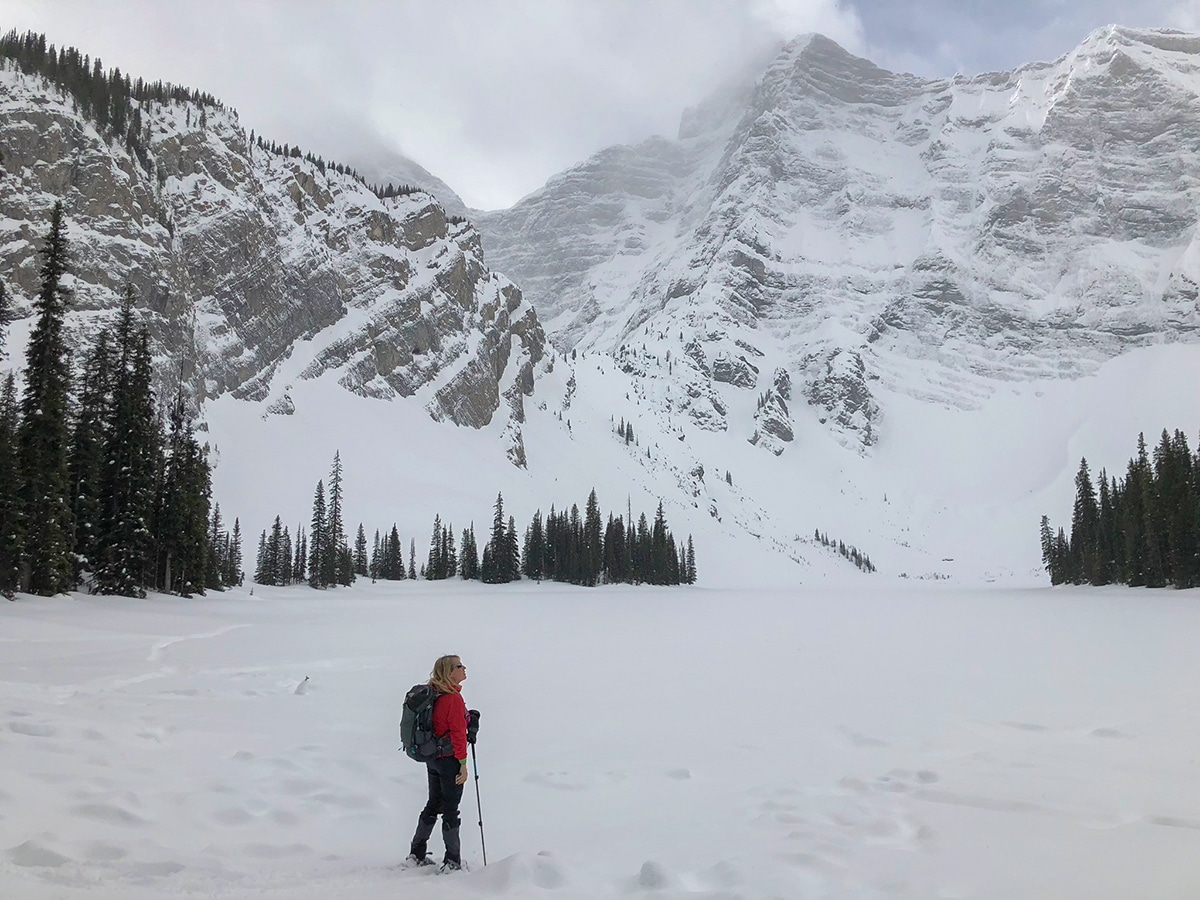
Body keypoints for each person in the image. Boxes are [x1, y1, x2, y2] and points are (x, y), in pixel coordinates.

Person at [407, 654, 470, 870]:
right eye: (459, 666)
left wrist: (468, 717)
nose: (464, 668)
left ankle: (416, 853)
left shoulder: (435, 694)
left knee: (434, 803)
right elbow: (457, 734)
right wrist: (462, 763)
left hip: (433, 759)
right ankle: (452, 861)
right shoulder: (452, 699)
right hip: (449, 760)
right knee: (451, 809)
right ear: (449, 672)